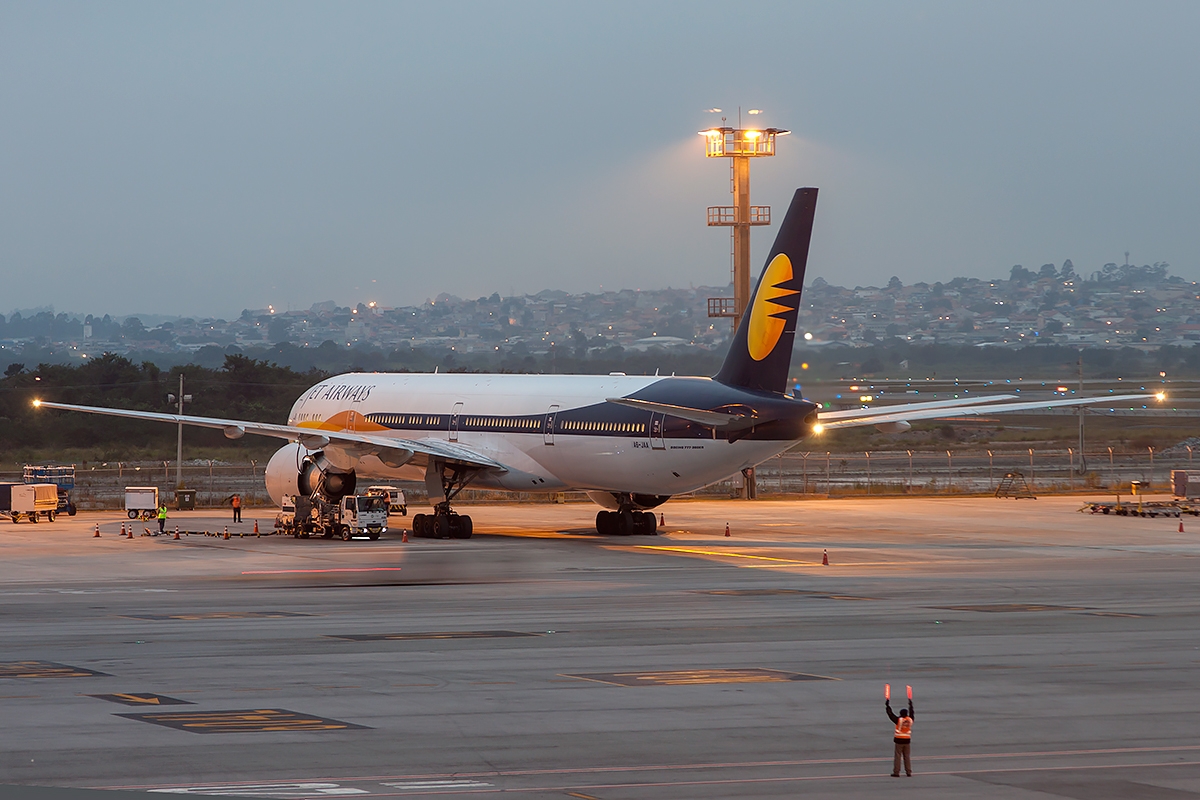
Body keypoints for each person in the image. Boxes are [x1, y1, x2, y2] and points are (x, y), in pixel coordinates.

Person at [886, 696, 914, 777]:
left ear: (901, 714)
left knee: (898, 756)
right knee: (907, 757)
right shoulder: (910, 720)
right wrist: (911, 705)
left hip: (899, 740)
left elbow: (890, 715)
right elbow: (912, 713)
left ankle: (896, 772)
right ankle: (908, 772)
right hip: (907, 740)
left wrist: (887, 706)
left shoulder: (899, 720)